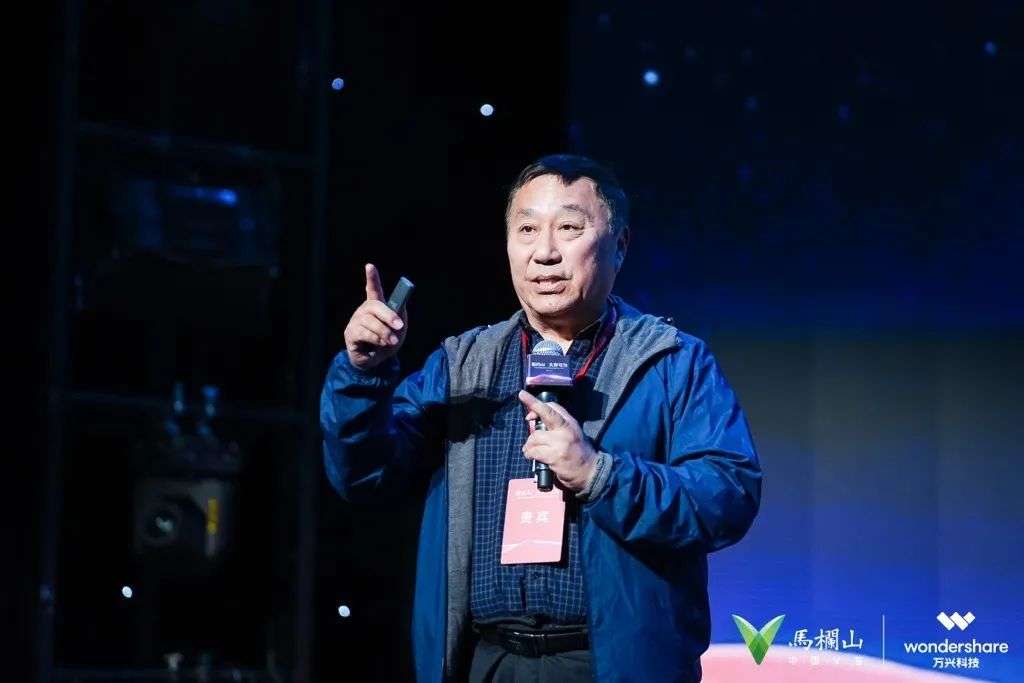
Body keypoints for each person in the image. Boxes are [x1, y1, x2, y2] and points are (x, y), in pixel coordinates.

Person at [321, 154, 762, 682]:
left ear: (619, 245)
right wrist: (363, 375)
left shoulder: (672, 362)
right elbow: (365, 475)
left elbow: (728, 495)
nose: (545, 252)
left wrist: (599, 475)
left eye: (569, 228)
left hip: (610, 665)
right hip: (486, 661)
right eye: (527, 230)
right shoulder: (463, 365)